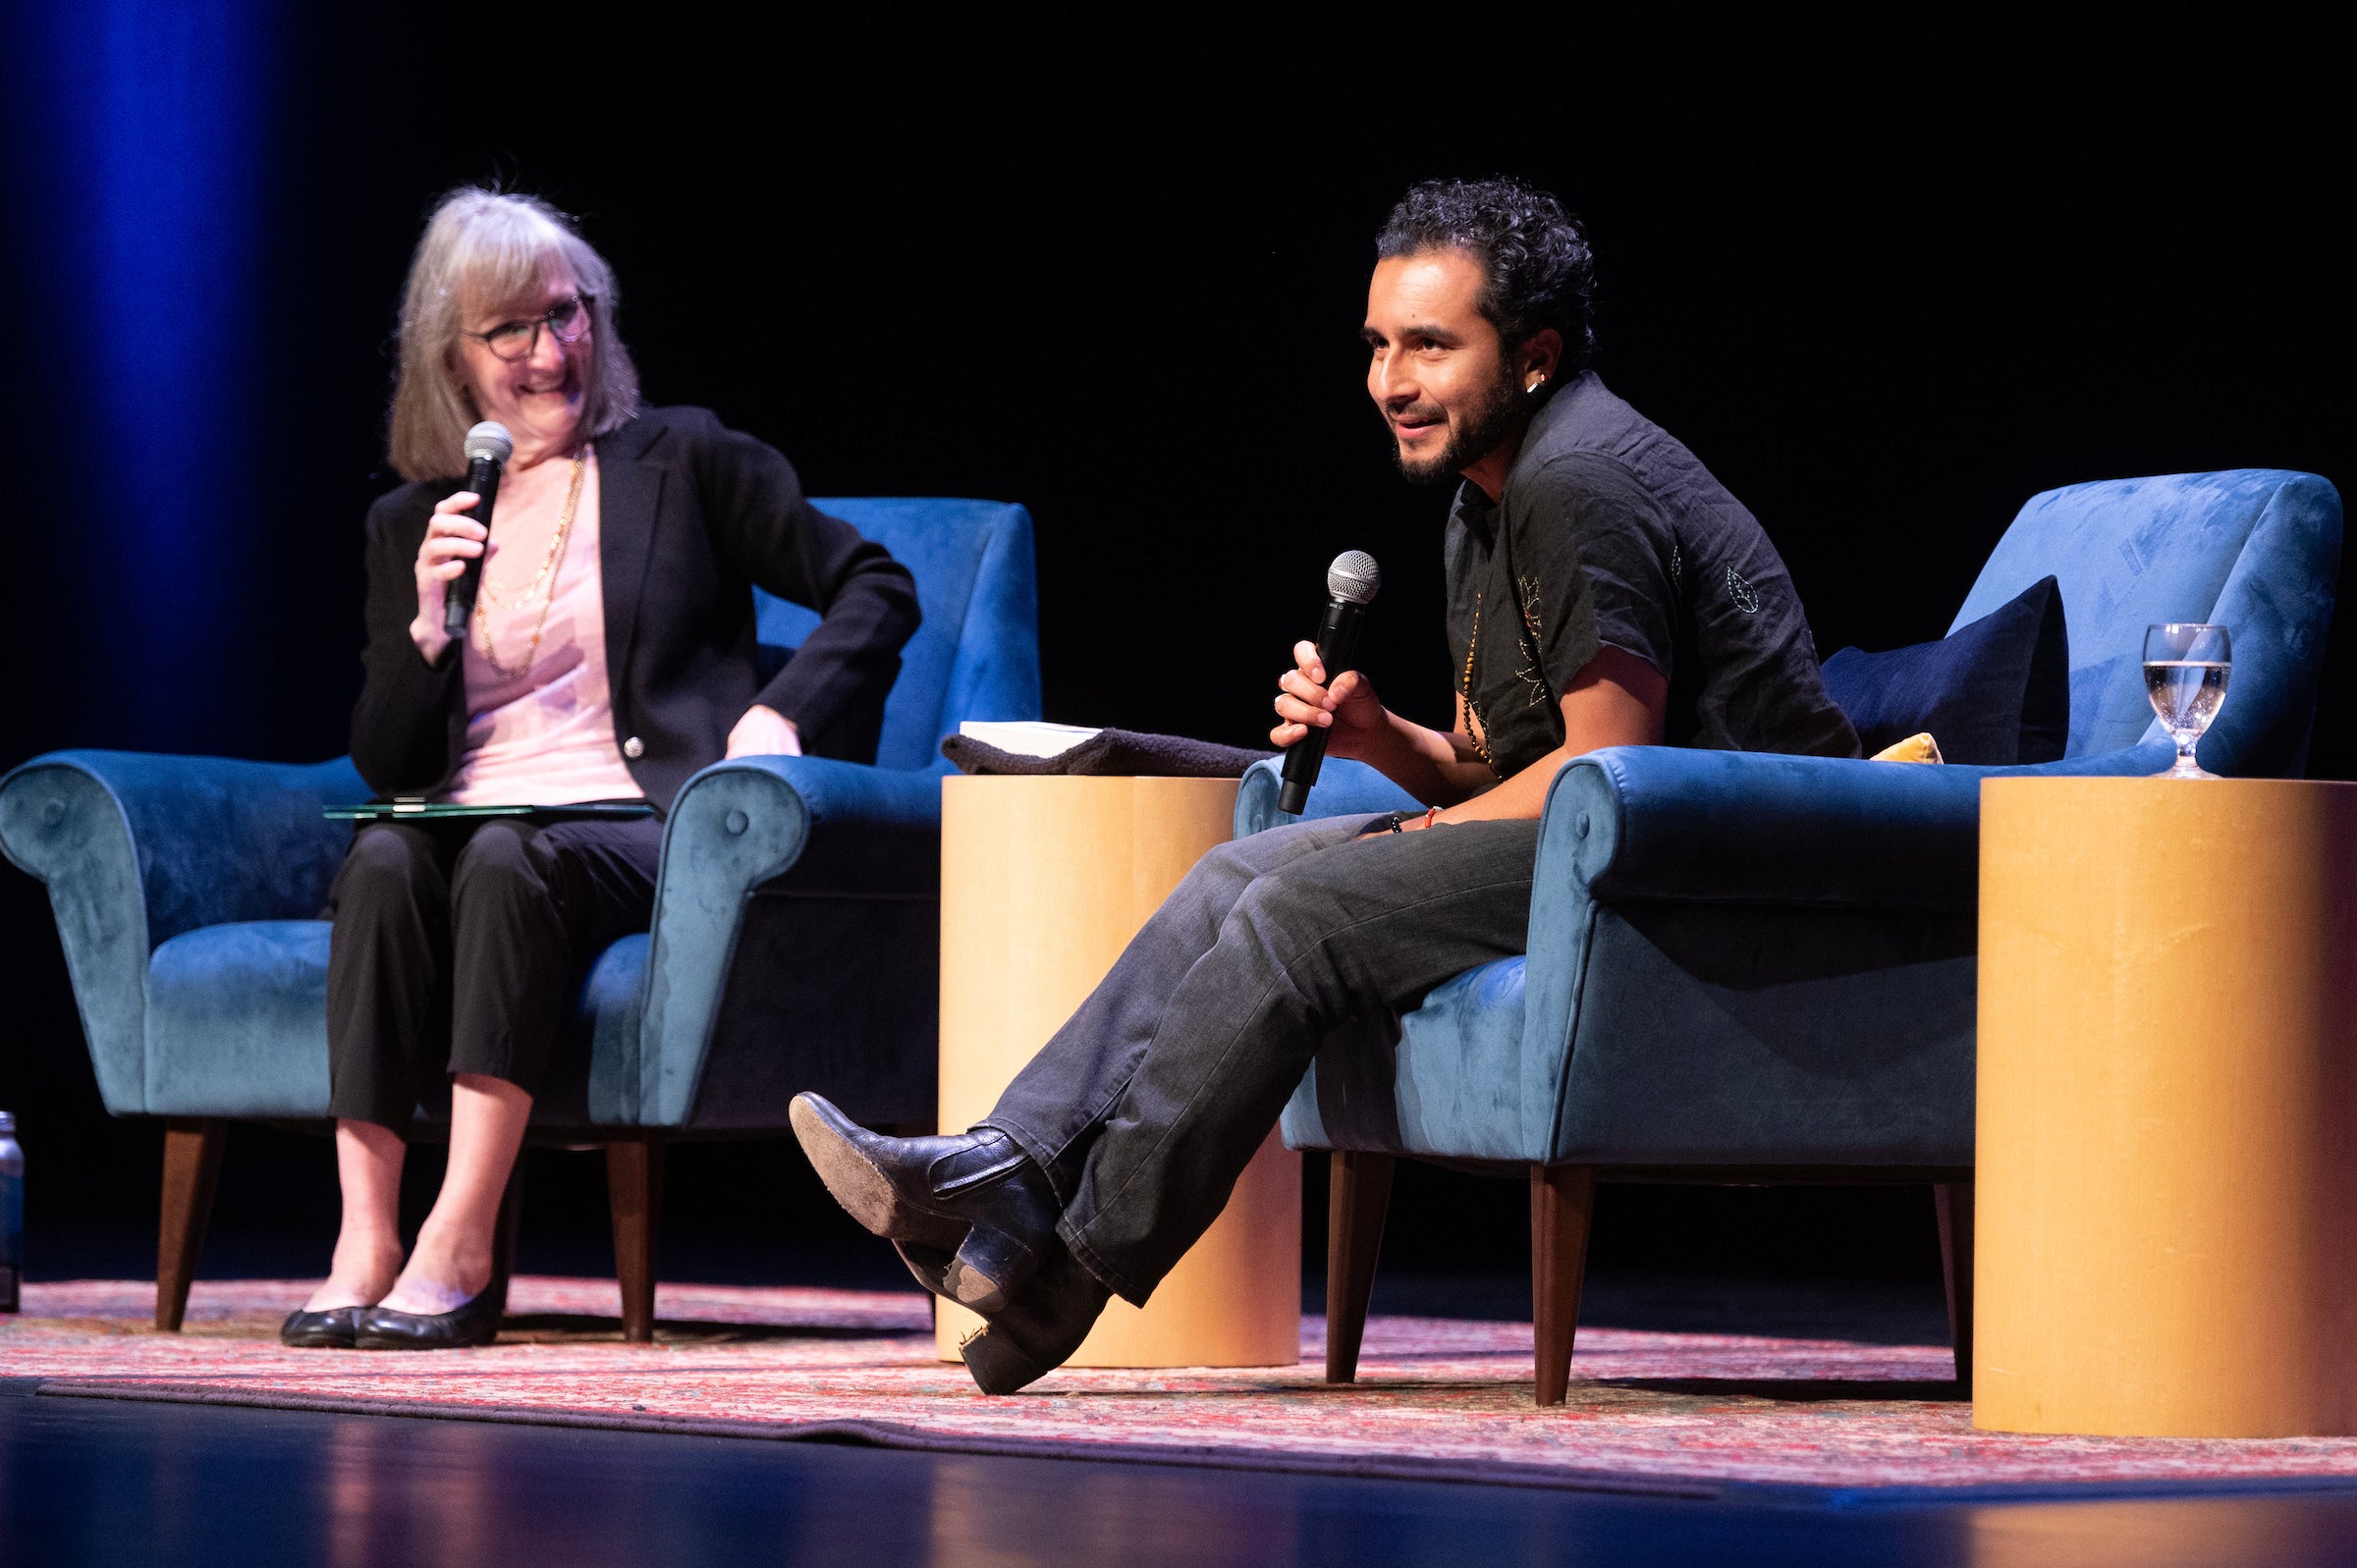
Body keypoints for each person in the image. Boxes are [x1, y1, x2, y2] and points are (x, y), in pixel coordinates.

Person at [792, 177, 1858, 1393]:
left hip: (1726, 851)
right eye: (1379, 346)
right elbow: (1519, 761)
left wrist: (1413, 831)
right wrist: (1381, 739)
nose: (1390, 381)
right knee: (1242, 867)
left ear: (1536, 357)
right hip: (1600, 824)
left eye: (1431, 346)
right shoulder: (1483, 499)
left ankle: (1063, 1265)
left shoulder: (1583, 482)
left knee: (1303, 910)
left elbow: (1616, 762)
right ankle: (1006, 1168)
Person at [283, 189, 920, 1351]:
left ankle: (462, 1240)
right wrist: (427, 631)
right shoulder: (412, 524)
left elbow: (875, 583)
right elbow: (388, 755)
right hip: (469, 814)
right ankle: (364, 1235)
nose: (548, 352)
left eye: (567, 316)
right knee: (379, 853)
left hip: (630, 823)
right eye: (510, 331)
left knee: (502, 858)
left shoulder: (681, 459)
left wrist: (783, 714)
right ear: (454, 361)